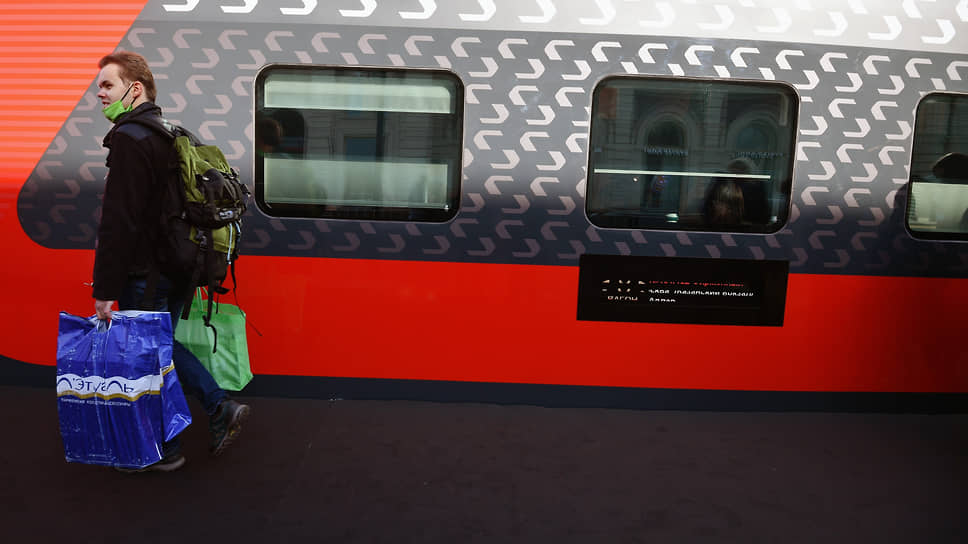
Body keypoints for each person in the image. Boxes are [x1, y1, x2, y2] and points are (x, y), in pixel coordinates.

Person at [92, 50, 250, 472]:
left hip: (147, 273)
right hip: (180, 266)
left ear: (134, 88)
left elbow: (119, 222)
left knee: (153, 351)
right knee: (159, 350)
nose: (99, 94)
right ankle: (178, 438)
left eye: (107, 85)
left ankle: (211, 412)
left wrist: (104, 290)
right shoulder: (170, 133)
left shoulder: (130, 139)